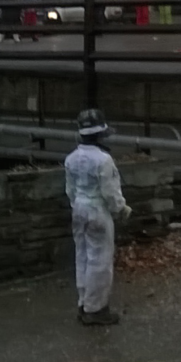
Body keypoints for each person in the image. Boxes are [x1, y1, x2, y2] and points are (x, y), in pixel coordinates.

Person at [64, 109, 132, 326]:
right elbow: (110, 192)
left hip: (79, 209)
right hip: (97, 211)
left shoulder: (71, 158)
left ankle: (84, 303)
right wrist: (121, 209)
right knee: (99, 261)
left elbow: (70, 190)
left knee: (82, 256)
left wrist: (77, 206)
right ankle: (96, 309)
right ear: (100, 134)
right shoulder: (103, 160)